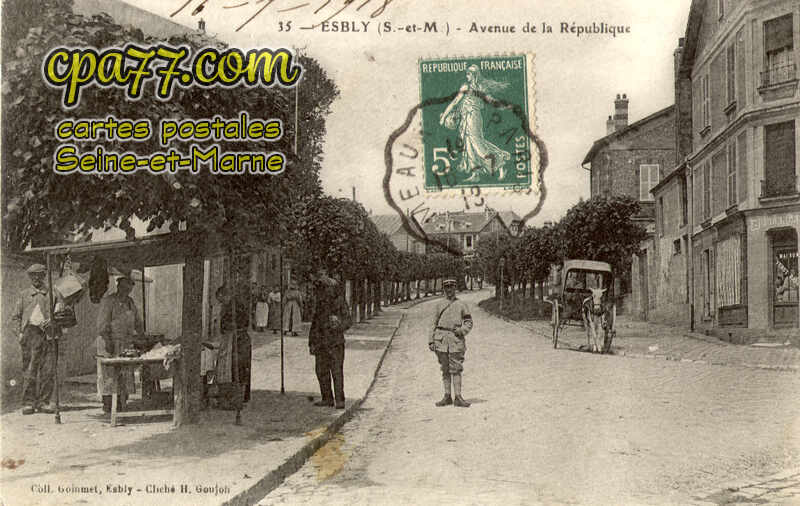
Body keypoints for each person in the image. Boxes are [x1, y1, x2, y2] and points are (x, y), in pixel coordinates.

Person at [439, 64, 511, 182]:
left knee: (478, 144)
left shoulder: (481, 88)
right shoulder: (465, 87)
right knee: (468, 144)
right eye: (467, 74)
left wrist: (503, 106)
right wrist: (444, 117)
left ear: (475, 75)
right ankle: (475, 173)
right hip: (465, 118)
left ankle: (500, 163)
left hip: (474, 117)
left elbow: (491, 101)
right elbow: (455, 102)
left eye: (469, 74)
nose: (467, 76)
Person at [12, 263, 56, 415]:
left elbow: (64, 314)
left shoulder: (53, 294)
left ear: (44, 276)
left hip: (48, 335)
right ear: (30, 277)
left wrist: (53, 320)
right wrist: (19, 333)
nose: (36, 278)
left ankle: (44, 402)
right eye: (33, 275)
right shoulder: (24, 295)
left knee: (48, 370)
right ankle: (28, 403)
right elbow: (15, 317)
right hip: (30, 335)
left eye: (39, 275)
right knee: (30, 370)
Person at [96, 272, 143, 413]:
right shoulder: (109, 301)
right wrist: (108, 341)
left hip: (125, 344)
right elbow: (102, 325)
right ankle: (108, 404)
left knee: (125, 374)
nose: (126, 291)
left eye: (129, 288)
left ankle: (122, 403)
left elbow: (138, 323)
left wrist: (142, 336)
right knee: (109, 375)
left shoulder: (130, 303)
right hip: (109, 342)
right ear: (118, 286)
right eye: (124, 287)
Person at [308, 268, 351, 409]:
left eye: (326, 288)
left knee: (336, 371)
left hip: (335, 342)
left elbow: (348, 321)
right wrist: (312, 342)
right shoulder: (320, 304)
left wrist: (338, 323)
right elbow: (314, 324)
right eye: (322, 288)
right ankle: (327, 398)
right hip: (321, 342)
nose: (323, 291)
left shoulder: (339, 303)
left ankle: (340, 400)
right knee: (321, 371)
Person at [429, 278, 473, 408]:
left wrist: (461, 330)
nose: (449, 290)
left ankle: (458, 396)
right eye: (446, 287)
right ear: (444, 289)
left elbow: (468, 322)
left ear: (455, 288)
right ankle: (447, 396)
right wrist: (430, 341)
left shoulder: (462, 305)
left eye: (451, 287)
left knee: (457, 368)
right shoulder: (438, 305)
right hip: (441, 340)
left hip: (455, 339)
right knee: (445, 369)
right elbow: (432, 324)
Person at [214, 284, 252, 404]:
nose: (221, 302)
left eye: (221, 299)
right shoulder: (229, 305)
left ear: (225, 295)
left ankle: (238, 396)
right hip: (232, 339)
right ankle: (233, 395)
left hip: (238, 340)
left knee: (239, 368)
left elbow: (242, 322)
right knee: (233, 368)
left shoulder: (236, 306)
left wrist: (230, 328)